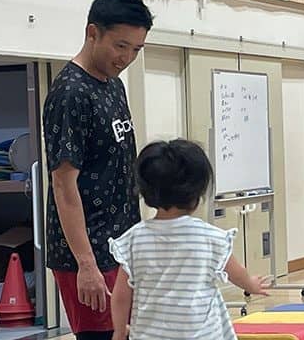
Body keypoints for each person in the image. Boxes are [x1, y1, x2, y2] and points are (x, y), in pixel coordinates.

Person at [43, 0, 153, 340]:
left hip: (121, 244)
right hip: (89, 250)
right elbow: (63, 185)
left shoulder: (114, 86)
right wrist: (86, 264)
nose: (127, 57)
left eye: (136, 49)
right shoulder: (70, 93)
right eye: (120, 46)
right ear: (93, 33)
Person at [108, 139, 271, 340]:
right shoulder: (209, 237)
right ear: (197, 193)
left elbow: (121, 296)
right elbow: (237, 273)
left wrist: (119, 331)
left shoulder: (134, 239)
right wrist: (250, 285)